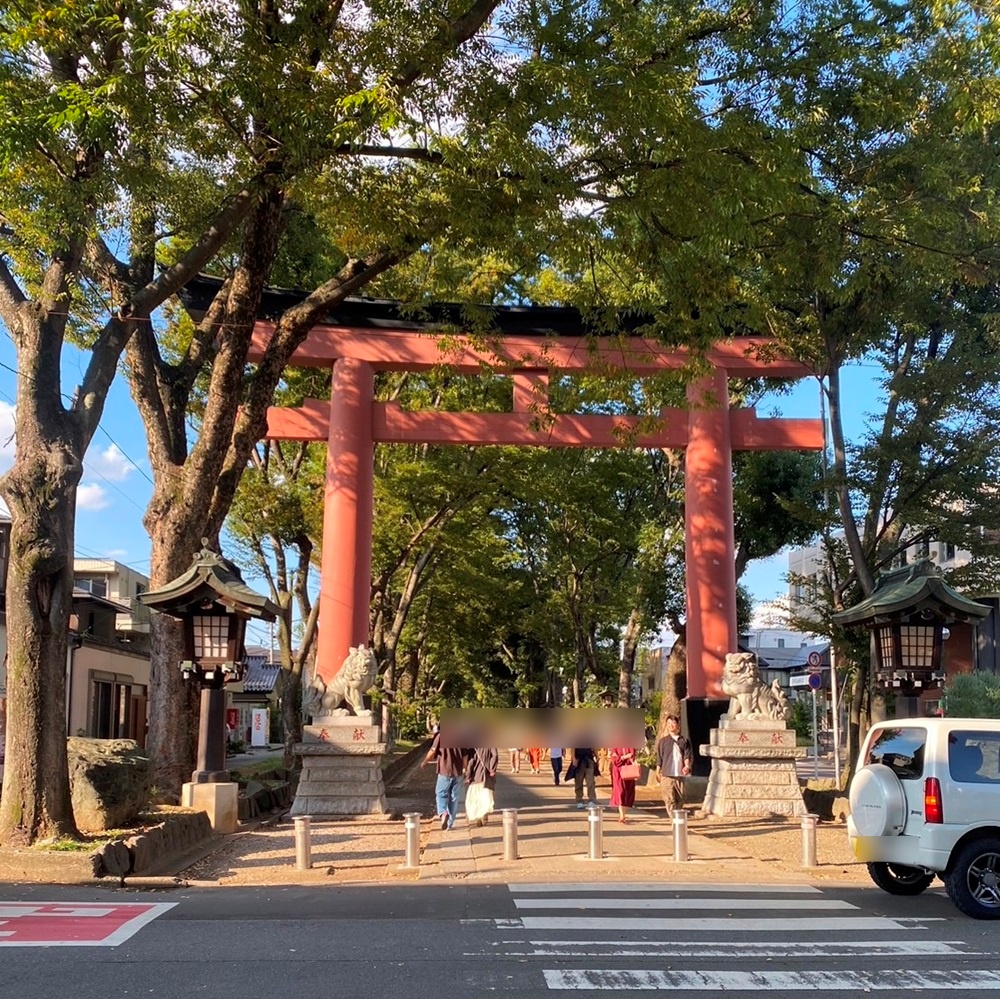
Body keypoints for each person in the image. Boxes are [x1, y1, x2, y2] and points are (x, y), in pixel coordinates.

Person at [421, 731, 471, 830]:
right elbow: (465, 757)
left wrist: (425, 762)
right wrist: (467, 771)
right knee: (454, 799)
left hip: (444, 771)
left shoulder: (441, 736)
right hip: (458, 772)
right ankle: (449, 824)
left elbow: (433, 750)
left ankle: (443, 813)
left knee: (440, 794)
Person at [655, 713, 693, 814]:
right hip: (667, 774)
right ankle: (674, 821)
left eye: (673, 723)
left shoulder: (684, 741)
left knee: (681, 798)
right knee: (669, 800)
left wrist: (687, 766)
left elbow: (687, 755)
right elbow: (659, 757)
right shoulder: (663, 741)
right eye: (669, 723)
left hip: (680, 775)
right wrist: (658, 771)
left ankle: (677, 817)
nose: (671, 725)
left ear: (678, 724)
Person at [465, 746, 499, 827]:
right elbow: (495, 755)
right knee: (486, 797)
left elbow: (471, 761)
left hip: (475, 778)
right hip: (486, 777)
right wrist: (492, 769)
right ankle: (484, 815)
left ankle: (478, 817)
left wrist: (468, 776)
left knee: (475, 798)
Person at [609, 745, 638, 823]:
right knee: (620, 790)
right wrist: (624, 757)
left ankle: (624, 814)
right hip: (618, 771)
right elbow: (615, 760)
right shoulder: (614, 746)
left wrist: (635, 766)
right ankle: (621, 815)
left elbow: (633, 756)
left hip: (629, 770)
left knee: (628, 791)